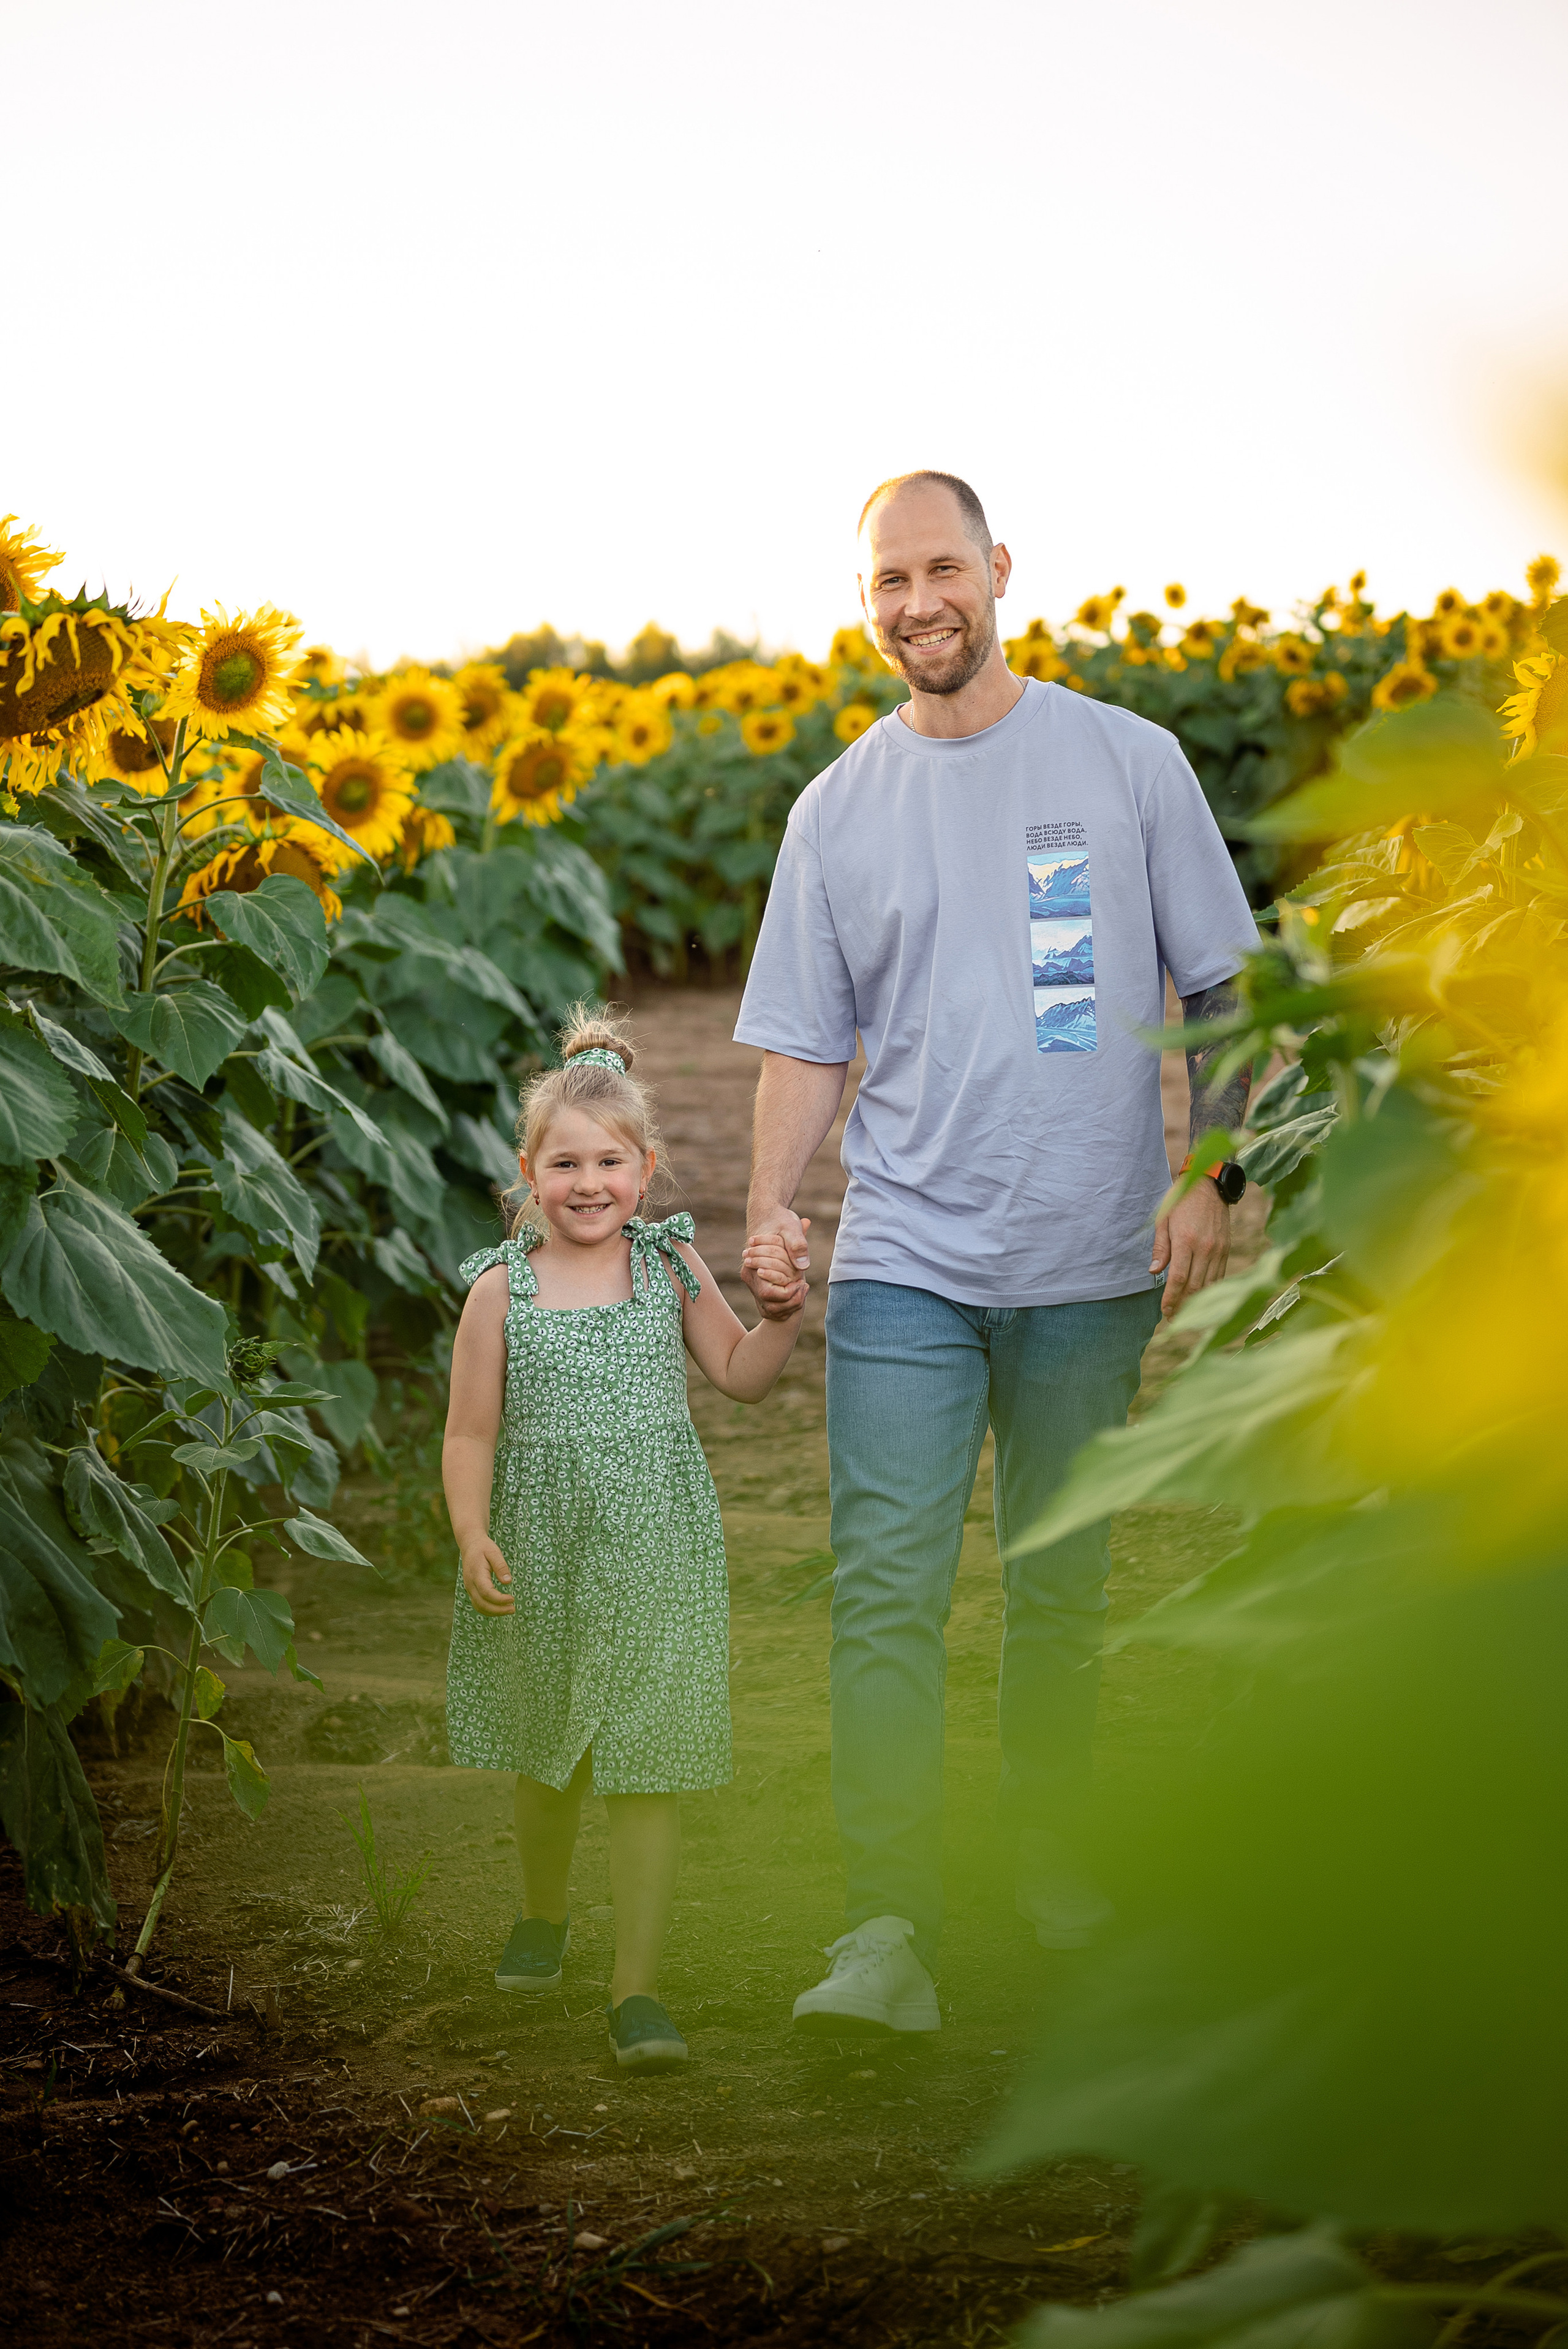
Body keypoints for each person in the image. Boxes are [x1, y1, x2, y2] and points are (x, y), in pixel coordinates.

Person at [735, 471, 1257, 2035]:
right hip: (903, 1254)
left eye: (938, 569)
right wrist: (771, 1203)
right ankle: (884, 1928)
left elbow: (1226, 990)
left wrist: (1212, 1176)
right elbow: (801, 1047)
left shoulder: (1124, 762)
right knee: (885, 1592)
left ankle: (1047, 1867)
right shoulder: (835, 809)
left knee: (1055, 1584)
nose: (915, 605)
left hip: (1090, 1258)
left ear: (999, 571)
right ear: (869, 601)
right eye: (886, 581)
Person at [442, 1007, 803, 2070]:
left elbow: (739, 1376)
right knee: (550, 1754)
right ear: (527, 1173)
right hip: (541, 1548)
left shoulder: (673, 1270)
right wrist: (470, 1531)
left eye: (610, 1160)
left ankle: (635, 1988)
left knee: (648, 1764)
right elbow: (469, 1431)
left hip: (657, 1553)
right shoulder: (500, 1291)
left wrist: (782, 1316)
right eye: (565, 1162)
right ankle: (543, 1912)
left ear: (648, 1171)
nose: (588, 1181)